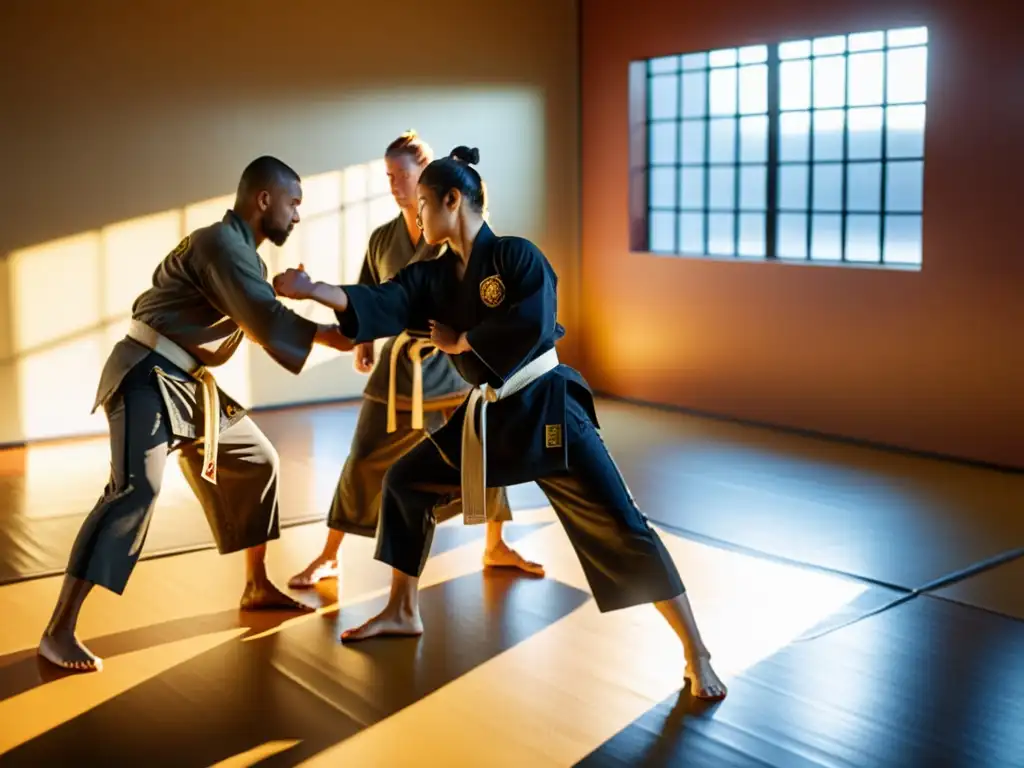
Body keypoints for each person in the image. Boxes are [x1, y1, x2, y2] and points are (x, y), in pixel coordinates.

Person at [273, 147, 728, 700]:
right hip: (489, 416)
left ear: (452, 200)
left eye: (424, 202)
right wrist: (313, 290)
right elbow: (381, 300)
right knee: (406, 480)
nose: (417, 215)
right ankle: (402, 609)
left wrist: (463, 341)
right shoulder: (432, 276)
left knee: (624, 527)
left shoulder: (515, 255)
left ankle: (696, 651)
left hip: (547, 410)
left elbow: (535, 321)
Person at [38, 156, 353, 673]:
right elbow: (265, 321)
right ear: (264, 199)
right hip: (146, 372)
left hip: (187, 383)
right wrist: (333, 335)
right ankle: (58, 631)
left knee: (257, 459)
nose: (298, 215)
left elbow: (255, 307)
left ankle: (256, 585)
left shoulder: (239, 254)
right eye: (293, 203)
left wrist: (281, 295)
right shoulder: (221, 244)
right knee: (134, 490)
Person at [288, 132, 542, 591]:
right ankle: (330, 554)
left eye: (401, 175)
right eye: (388, 176)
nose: (393, 184)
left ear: (429, 178)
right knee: (364, 457)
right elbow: (375, 293)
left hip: (452, 364)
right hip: (399, 368)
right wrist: (361, 337)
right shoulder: (384, 238)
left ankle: (496, 544)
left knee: (483, 450)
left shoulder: (454, 231)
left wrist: (471, 343)